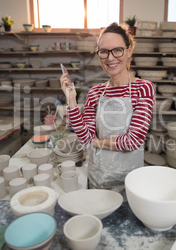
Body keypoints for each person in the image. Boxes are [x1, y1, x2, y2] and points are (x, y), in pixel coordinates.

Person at [60, 23, 155, 196]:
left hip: (130, 182)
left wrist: (97, 142)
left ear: (129, 50)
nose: (110, 58)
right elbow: (85, 138)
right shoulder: (95, 92)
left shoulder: (143, 88)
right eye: (104, 51)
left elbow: (133, 141)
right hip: (99, 177)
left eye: (117, 50)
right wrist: (71, 101)